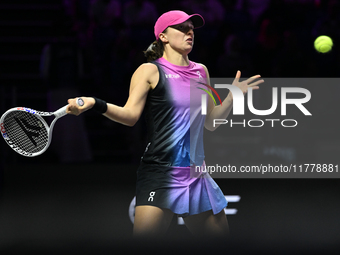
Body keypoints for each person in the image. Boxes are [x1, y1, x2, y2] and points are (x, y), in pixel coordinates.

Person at [67, 10, 263, 239]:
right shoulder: (149, 71)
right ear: (163, 36)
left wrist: (231, 98)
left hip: (196, 174)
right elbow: (130, 115)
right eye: (181, 27)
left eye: (191, 28)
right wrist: (94, 103)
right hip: (160, 172)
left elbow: (210, 122)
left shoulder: (201, 71)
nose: (189, 32)